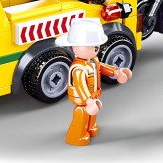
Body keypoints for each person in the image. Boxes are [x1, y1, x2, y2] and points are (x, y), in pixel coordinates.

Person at [56, 18, 132, 146]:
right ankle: (76, 136)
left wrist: (115, 72)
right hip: (84, 99)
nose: (95, 49)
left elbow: (100, 67)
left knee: (92, 114)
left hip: (94, 95)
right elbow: (80, 86)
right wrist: (88, 99)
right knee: (82, 114)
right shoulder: (78, 68)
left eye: (96, 47)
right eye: (91, 46)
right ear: (76, 46)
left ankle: (90, 127)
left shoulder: (93, 59)